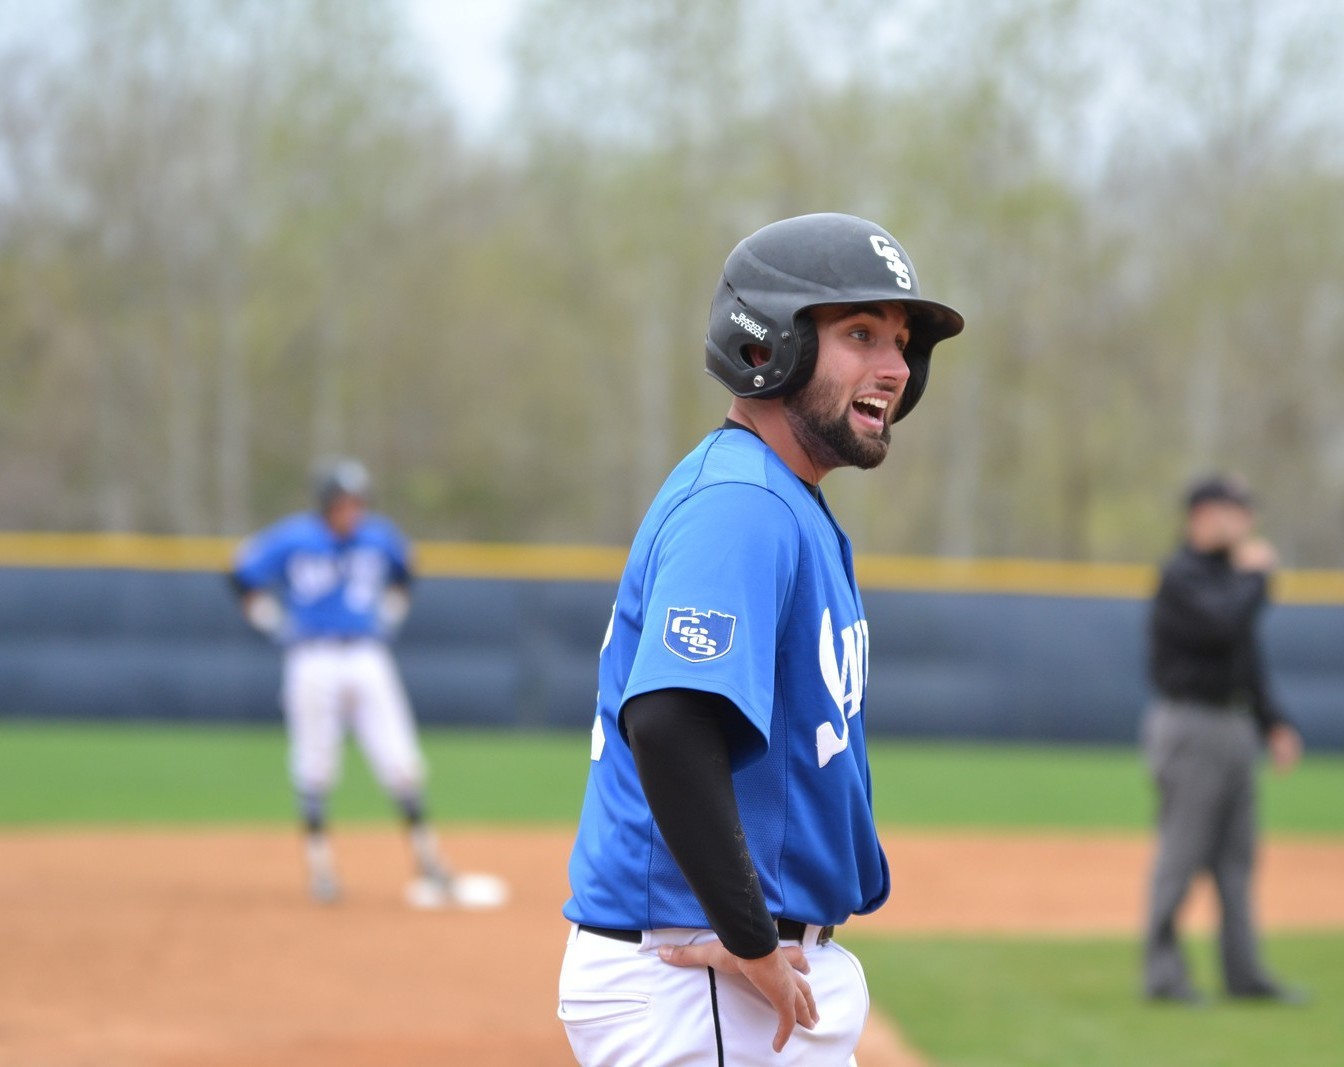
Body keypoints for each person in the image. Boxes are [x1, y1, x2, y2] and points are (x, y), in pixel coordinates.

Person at [557, 213, 965, 1065]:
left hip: (723, 973)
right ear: (765, 343)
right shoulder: (741, 504)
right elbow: (670, 722)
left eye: (899, 344)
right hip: (704, 971)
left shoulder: (778, 497)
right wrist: (747, 938)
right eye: (860, 334)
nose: (894, 367)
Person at [231, 458, 459, 908]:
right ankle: (320, 867)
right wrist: (269, 620)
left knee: (400, 758)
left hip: (366, 654)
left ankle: (427, 857)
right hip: (312, 657)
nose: (351, 511)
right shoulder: (296, 537)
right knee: (314, 763)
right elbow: (241, 575)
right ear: (325, 504)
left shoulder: (377, 536)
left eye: (357, 502)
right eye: (343, 503)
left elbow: (406, 572)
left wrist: (391, 613)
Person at [1142, 473, 1306, 1004]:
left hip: (1234, 726)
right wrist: (1257, 579)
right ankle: (1163, 976)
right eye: (1234, 510)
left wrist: (1272, 722)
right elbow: (1220, 627)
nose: (1245, 521)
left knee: (1237, 860)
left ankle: (1244, 975)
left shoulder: (1230, 576)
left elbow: (1245, 658)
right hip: (1191, 725)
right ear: (1203, 515)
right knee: (1182, 855)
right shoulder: (1182, 574)